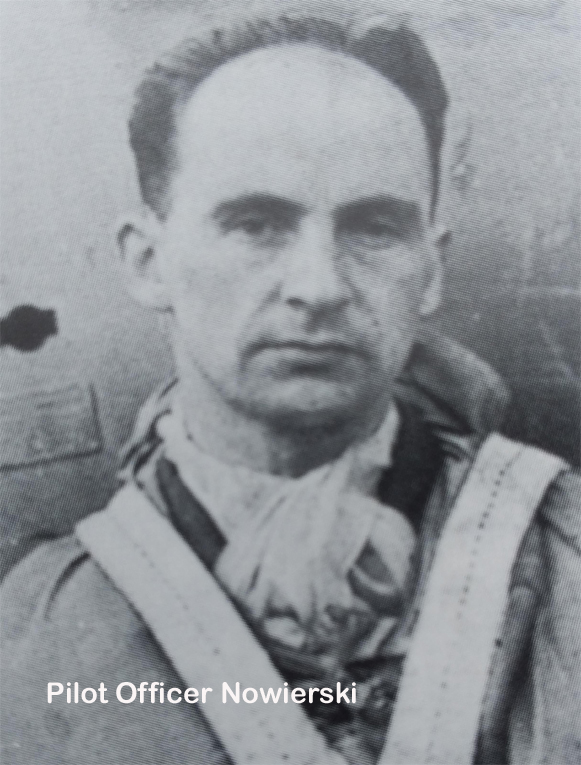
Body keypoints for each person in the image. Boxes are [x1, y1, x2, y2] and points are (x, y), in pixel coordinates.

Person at [2, 9, 580, 765]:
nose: (319, 285)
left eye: (373, 227)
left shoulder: (565, 563)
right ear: (147, 261)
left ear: (431, 268)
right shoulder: (37, 637)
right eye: (255, 224)